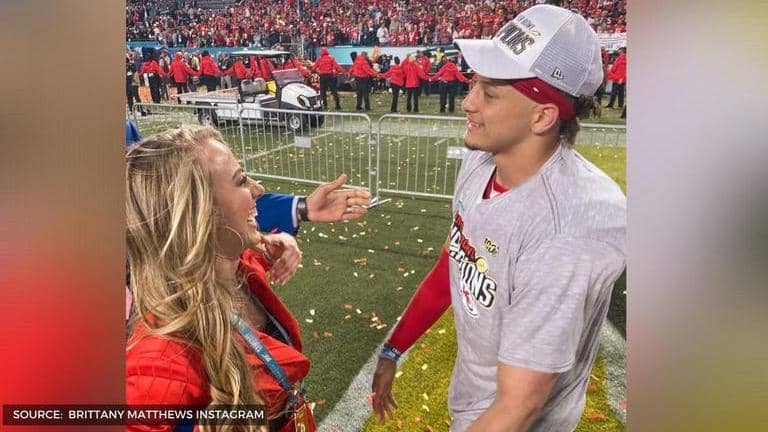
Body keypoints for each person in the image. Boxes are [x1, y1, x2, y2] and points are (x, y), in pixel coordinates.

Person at [371, 5, 626, 432]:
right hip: (474, 404)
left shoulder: (568, 230)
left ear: (542, 115)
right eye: (474, 84)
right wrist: (393, 349)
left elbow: (518, 407)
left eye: (489, 93)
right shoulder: (483, 160)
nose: (467, 102)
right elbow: (457, 258)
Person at [126, 125, 371, 431]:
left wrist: (283, 233)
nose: (258, 189)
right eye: (242, 180)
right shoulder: (161, 357)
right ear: (199, 212)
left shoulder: (234, 270)